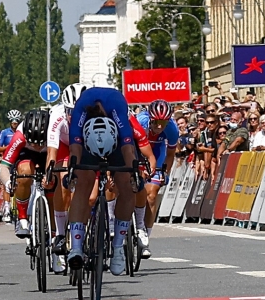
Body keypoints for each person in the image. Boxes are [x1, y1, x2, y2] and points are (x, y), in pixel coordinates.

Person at [66, 87, 141, 276]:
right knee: (83, 182)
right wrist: (73, 171)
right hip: (87, 144)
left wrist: (134, 174)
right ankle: (75, 248)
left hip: (118, 144)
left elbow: (128, 150)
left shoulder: (117, 107)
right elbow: (75, 149)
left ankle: (117, 249)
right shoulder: (81, 109)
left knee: (126, 184)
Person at [46, 83, 86, 266]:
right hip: (64, 146)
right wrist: (49, 173)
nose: (72, 115)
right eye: (70, 111)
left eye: (77, 111)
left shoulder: (94, 116)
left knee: (92, 193)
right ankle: (61, 234)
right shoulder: (57, 116)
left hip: (86, 146)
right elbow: (52, 152)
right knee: (62, 178)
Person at [133, 99, 178, 258]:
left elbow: (170, 155)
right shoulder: (141, 122)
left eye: (163, 123)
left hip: (158, 154)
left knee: (151, 195)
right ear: (150, 118)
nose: (159, 126)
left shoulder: (172, 129)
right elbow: (130, 148)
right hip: (137, 152)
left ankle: (145, 238)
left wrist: (165, 172)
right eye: (156, 122)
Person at [0, 108, 52, 239]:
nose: (37, 146)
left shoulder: (55, 131)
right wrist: (7, 183)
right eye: (33, 143)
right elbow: (4, 167)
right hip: (26, 154)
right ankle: (22, 218)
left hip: (51, 152)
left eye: (40, 143)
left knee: (55, 176)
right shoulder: (19, 135)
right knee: (24, 172)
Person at [0, 110, 23, 222]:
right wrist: (10, 147)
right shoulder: (5, 132)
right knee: (7, 184)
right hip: (9, 159)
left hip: (20, 158)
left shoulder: (22, 131)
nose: (14, 124)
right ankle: (7, 208)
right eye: (13, 123)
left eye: (16, 123)